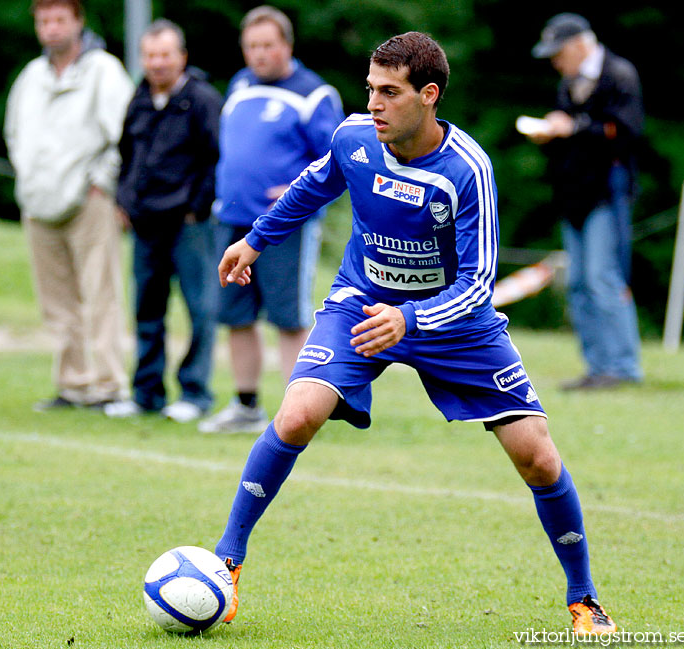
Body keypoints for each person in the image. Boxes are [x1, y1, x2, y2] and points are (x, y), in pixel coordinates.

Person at [212, 32, 617, 635]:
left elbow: (479, 282)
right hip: (364, 302)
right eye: (370, 88)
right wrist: (255, 238)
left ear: (428, 96)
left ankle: (584, 598)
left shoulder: (468, 169)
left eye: (389, 92)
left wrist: (413, 318)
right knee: (296, 414)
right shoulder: (353, 138)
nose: (373, 103)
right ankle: (225, 563)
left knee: (537, 458)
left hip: (456, 324)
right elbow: (309, 189)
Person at [198, 5, 344, 434]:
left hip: (286, 227)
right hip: (232, 219)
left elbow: (335, 162)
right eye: (252, 46)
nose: (259, 54)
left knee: (289, 317)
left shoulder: (315, 94)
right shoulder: (240, 85)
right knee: (236, 314)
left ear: (287, 46)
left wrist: (296, 191)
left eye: (267, 45)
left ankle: (299, 410)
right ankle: (245, 406)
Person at [4, 0, 133, 411]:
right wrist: (28, 180)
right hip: (39, 203)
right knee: (56, 303)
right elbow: (14, 133)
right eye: (44, 21)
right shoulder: (31, 77)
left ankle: (109, 385)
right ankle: (73, 384)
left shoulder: (103, 71)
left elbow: (125, 133)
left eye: (60, 19)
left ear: (78, 22)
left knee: (101, 294)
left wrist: (102, 183)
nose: (51, 28)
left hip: (88, 201)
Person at [103, 19, 222, 422]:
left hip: (189, 224)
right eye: (150, 55)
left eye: (165, 55)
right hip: (145, 223)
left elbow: (215, 158)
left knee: (199, 308)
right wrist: (124, 200)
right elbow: (126, 156)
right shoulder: (137, 99)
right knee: (146, 310)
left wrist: (197, 207)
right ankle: (146, 393)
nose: (157, 63)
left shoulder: (202, 99)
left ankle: (195, 393)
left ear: (182, 57)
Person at [526, 13, 643, 390]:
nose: (556, 62)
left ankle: (623, 368)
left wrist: (572, 127)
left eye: (558, 54)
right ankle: (597, 368)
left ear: (579, 45)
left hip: (607, 193)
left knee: (601, 276)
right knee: (577, 282)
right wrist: (554, 130)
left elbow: (624, 132)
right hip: (573, 194)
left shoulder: (619, 74)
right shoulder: (569, 81)